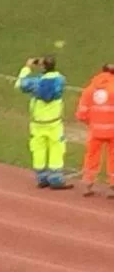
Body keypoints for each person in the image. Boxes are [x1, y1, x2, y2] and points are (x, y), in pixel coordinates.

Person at [15, 56, 72, 190]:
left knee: (38, 150)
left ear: (42, 67)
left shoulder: (35, 83)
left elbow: (20, 84)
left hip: (38, 123)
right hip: (54, 123)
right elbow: (58, 76)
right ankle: (56, 179)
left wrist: (27, 67)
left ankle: (42, 177)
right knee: (56, 150)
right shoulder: (60, 80)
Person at [76, 63, 114, 197]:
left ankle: (87, 185)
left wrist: (92, 123)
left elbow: (81, 114)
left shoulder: (90, 89)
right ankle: (112, 188)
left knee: (91, 157)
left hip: (95, 130)